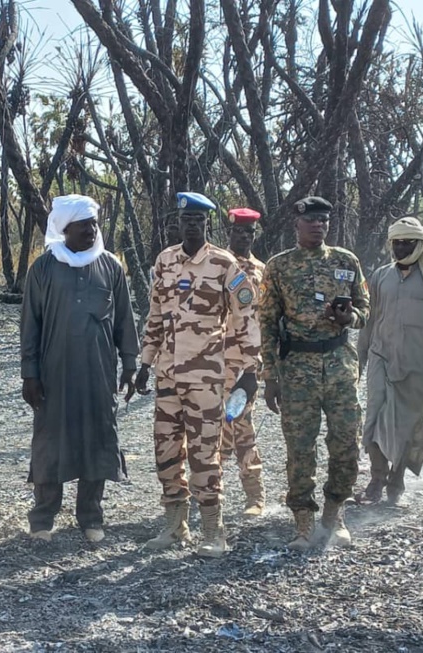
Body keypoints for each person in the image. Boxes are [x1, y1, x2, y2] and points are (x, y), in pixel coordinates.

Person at [135, 192, 260, 558]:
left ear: (207, 224)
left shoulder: (224, 265)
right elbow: (155, 314)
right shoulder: (165, 261)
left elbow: (246, 319)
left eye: (198, 220)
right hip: (168, 376)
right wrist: (145, 361)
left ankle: (213, 531)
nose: (191, 225)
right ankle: (175, 525)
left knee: (206, 453)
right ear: (178, 222)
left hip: (207, 377)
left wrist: (249, 371)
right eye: (185, 219)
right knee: (166, 449)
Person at [20, 195, 140, 543]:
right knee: (49, 441)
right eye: (83, 224)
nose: (91, 230)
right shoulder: (42, 269)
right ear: (64, 227)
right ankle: (43, 518)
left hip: (98, 373)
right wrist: (30, 374)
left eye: (94, 224)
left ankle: (91, 516)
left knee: (98, 439)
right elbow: (31, 326)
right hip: (53, 373)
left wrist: (129, 365)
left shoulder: (110, 267)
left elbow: (124, 323)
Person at [259, 196, 370, 551]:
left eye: (323, 221)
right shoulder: (279, 266)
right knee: (300, 450)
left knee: (346, 444)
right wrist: (270, 376)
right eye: (311, 221)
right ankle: (304, 522)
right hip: (296, 371)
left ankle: (334, 515)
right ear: (297, 224)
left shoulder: (345, 260)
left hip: (339, 365)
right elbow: (267, 323)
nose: (318, 226)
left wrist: (348, 318)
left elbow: (365, 308)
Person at [358, 217, 423, 505]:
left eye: (407, 243)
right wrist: (360, 357)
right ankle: (376, 478)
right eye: (396, 242)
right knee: (374, 419)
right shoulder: (379, 276)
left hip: (417, 364)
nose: (400, 247)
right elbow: (369, 321)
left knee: (408, 424)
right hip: (381, 357)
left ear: (420, 245)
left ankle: (396, 480)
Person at [221, 207, 268, 517]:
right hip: (216, 360)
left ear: (255, 235)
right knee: (213, 428)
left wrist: (257, 365)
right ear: (230, 233)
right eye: (238, 232)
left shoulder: (262, 270)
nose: (243, 237)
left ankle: (255, 496)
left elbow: (262, 316)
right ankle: (213, 493)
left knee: (243, 428)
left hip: (247, 362)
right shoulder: (217, 265)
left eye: (249, 233)